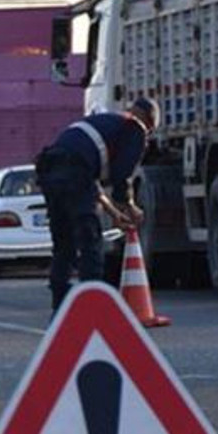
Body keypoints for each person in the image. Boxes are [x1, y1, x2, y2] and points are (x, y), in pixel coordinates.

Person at [36, 97, 158, 310]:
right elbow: (122, 175)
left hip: (49, 168)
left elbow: (90, 184)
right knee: (90, 240)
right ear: (149, 121)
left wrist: (114, 213)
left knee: (64, 243)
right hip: (73, 171)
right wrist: (129, 206)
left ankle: (60, 304)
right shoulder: (135, 129)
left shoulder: (105, 123)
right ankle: (91, 305)